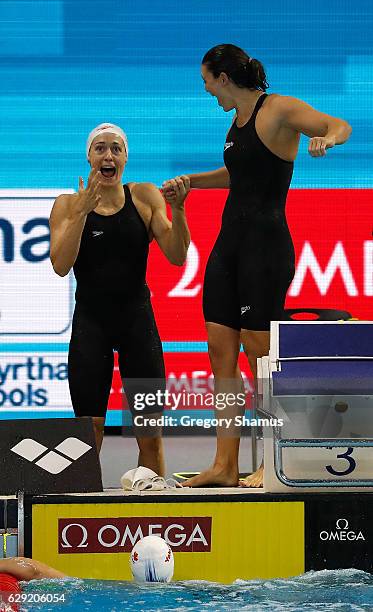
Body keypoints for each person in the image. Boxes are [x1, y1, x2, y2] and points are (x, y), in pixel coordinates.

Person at [162, 44, 352, 488]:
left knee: (259, 355)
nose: (207, 90)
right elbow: (241, 174)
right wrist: (192, 182)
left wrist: (326, 138)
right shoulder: (236, 123)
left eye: (207, 81)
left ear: (223, 77)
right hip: (229, 247)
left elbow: (338, 124)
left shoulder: (278, 109)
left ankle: (273, 461)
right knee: (219, 351)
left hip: (265, 248)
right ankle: (225, 465)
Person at [50, 123, 190, 476]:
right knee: (89, 429)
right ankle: (83, 508)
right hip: (90, 324)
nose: (108, 155)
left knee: (150, 433)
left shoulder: (143, 196)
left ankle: (154, 511)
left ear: (126, 157)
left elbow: (176, 255)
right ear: (89, 157)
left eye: (116, 148)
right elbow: (60, 265)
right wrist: (82, 212)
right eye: (100, 148)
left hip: (136, 322)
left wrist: (181, 211)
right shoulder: (67, 204)